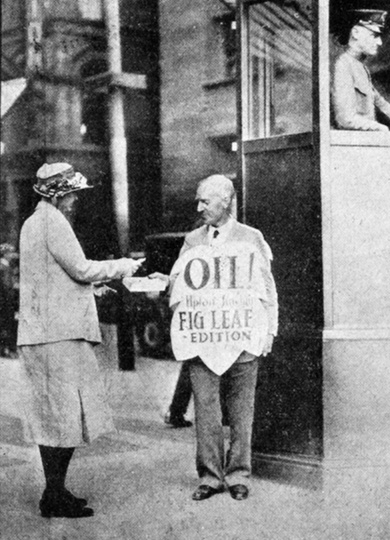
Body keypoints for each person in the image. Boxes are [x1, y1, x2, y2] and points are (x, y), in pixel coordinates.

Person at [17, 162, 143, 518]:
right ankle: (53, 495)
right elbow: (81, 268)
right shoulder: (54, 222)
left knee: (54, 416)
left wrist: (92, 289)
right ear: (58, 195)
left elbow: (52, 277)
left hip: (42, 332)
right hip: (60, 335)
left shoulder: (32, 223)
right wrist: (122, 266)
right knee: (67, 415)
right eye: (71, 193)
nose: (75, 200)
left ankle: (54, 491)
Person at [151, 174, 278, 501]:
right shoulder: (193, 240)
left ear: (226, 201)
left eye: (205, 201)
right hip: (203, 341)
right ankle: (210, 477)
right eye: (198, 201)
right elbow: (180, 283)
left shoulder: (251, 238)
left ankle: (239, 475)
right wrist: (164, 282)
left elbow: (268, 290)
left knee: (241, 413)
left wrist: (269, 331)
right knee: (206, 413)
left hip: (242, 338)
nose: (199, 208)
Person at [331, 9, 390, 132]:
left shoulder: (360, 67)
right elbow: (345, 119)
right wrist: (378, 127)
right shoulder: (342, 64)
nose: (379, 42)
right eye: (374, 35)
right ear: (356, 33)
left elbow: (381, 103)